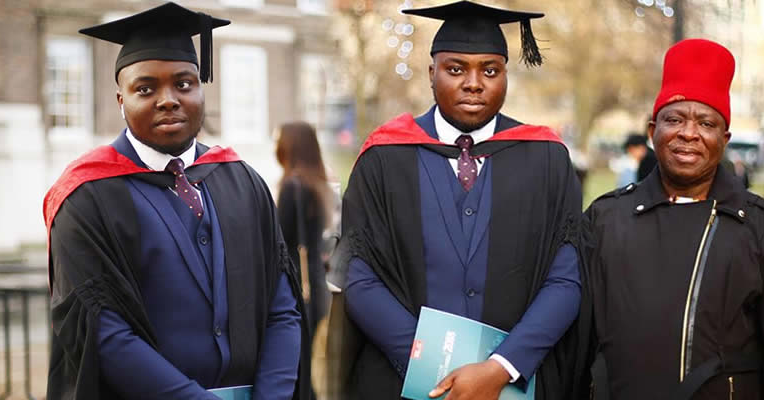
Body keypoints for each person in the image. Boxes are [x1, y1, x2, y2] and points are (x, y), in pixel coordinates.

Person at [42, 3, 308, 399]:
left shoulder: (243, 182)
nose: (168, 99)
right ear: (120, 99)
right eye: (145, 89)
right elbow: (103, 334)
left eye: (184, 84)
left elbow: (282, 308)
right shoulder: (86, 197)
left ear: (201, 88)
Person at [330, 2, 590, 399]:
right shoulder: (384, 157)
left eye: (490, 70)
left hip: (513, 385)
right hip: (402, 383)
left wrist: (502, 367)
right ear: (430, 73)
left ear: (505, 75)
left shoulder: (546, 159)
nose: (474, 83)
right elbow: (358, 275)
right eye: (455, 69)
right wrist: (430, 365)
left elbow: (567, 278)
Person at [585, 39, 764, 400]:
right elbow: (579, 344)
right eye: (674, 119)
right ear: (652, 131)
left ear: (724, 139)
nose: (688, 133)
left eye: (706, 122)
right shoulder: (605, 219)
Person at [275, 121, 333, 342]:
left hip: (296, 288)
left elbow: (279, 239)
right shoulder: (317, 184)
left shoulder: (292, 186)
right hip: (315, 286)